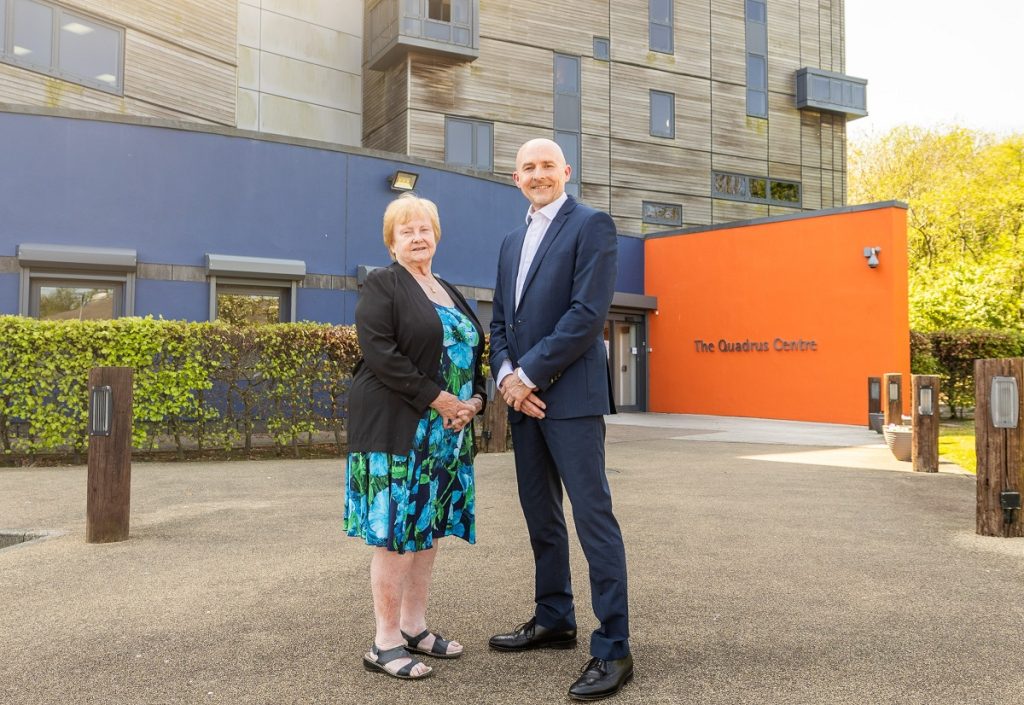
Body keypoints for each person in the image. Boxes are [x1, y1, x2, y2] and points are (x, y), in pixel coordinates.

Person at [488, 138, 633, 700]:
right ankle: (554, 618)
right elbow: (500, 319)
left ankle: (614, 647)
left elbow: (586, 315)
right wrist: (506, 379)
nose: (538, 174)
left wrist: (526, 376)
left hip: (570, 400)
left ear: (566, 171)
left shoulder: (592, 225)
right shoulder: (509, 241)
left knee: (593, 519)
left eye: (547, 165)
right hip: (525, 403)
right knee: (540, 517)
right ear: (515, 178)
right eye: (528, 167)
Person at [344, 192, 486, 680]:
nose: (418, 237)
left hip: (446, 434)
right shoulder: (383, 284)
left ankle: (414, 627)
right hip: (399, 430)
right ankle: (383, 644)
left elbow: (472, 355)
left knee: (426, 533)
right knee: (397, 536)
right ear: (391, 243)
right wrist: (440, 399)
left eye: (424, 229)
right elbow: (381, 353)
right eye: (406, 231)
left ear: (437, 235)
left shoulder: (447, 287)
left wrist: (476, 400)